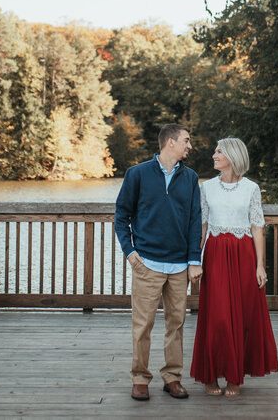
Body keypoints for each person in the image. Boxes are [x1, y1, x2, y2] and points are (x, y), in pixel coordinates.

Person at [114, 123, 203, 402]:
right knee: (143, 325)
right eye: (186, 141)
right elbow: (121, 216)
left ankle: (172, 378)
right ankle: (140, 379)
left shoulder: (190, 178)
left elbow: (194, 223)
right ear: (170, 143)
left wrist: (193, 261)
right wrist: (130, 252)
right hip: (147, 263)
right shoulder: (137, 174)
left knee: (176, 324)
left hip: (179, 267)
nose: (190, 146)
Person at [191, 137, 278, 397]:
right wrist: (194, 260)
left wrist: (260, 265)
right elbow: (203, 226)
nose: (214, 155)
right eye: (215, 150)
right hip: (216, 254)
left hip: (243, 254)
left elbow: (257, 227)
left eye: (219, 151)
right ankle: (210, 375)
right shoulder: (206, 188)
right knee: (217, 316)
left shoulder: (251, 188)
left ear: (232, 156)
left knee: (241, 315)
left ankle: (234, 376)